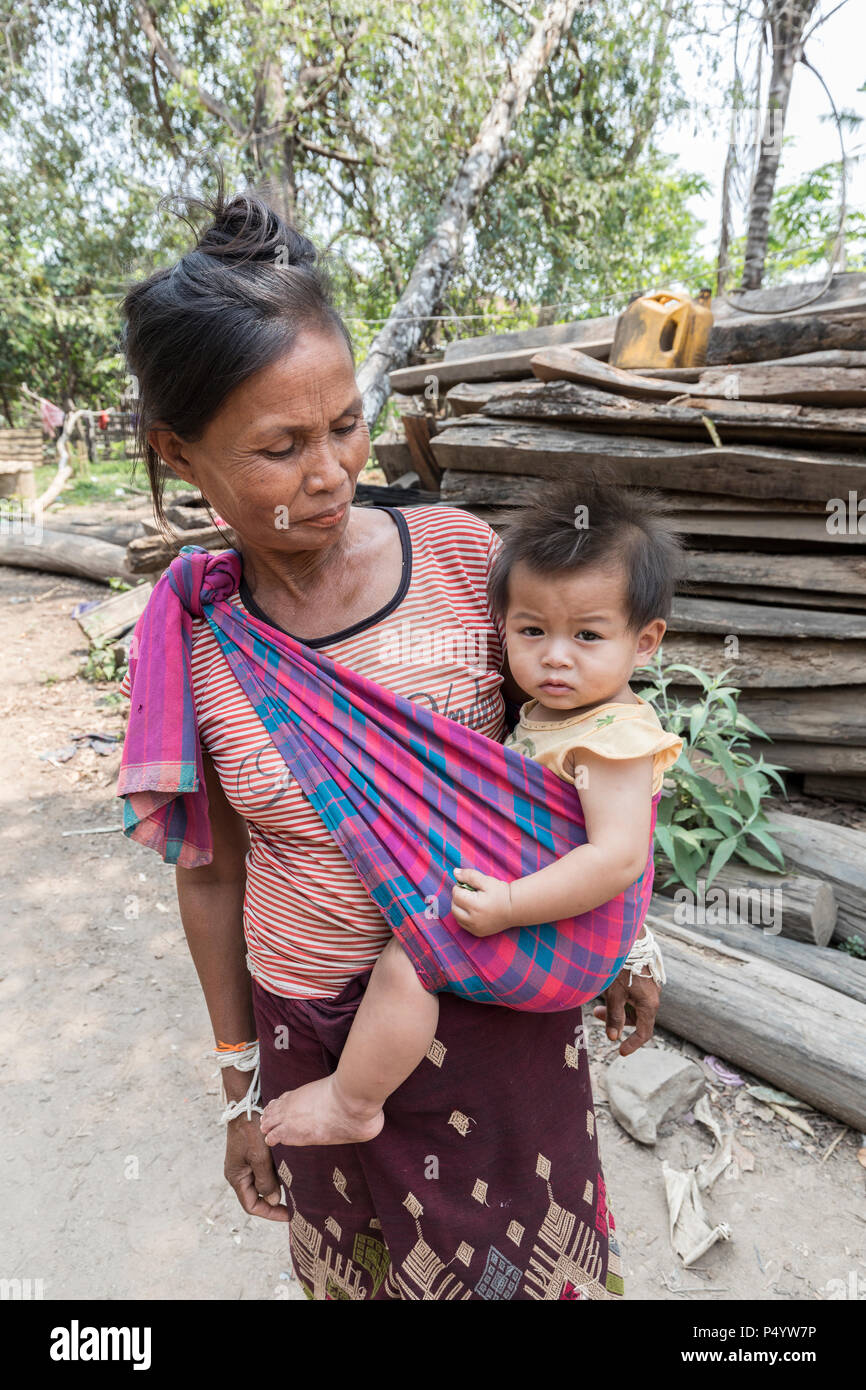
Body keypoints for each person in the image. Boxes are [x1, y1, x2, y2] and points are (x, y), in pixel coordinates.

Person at [118, 184, 665, 1301]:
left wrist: (629, 940)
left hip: (493, 998)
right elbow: (212, 873)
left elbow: (562, 763)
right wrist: (238, 1087)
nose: (329, 473)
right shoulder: (194, 636)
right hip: (315, 1033)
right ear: (180, 453)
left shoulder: (464, 562)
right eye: (280, 447)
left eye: (345, 424)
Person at [259, 478, 683, 1149]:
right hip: (543, 908)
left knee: (408, 961)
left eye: (588, 635)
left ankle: (352, 1102)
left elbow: (619, 857)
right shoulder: (562, 713)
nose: (555, 656)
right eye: (532, 630)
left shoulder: (613, 740)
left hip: (558, 929)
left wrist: (511, 904)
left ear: (646, 641)